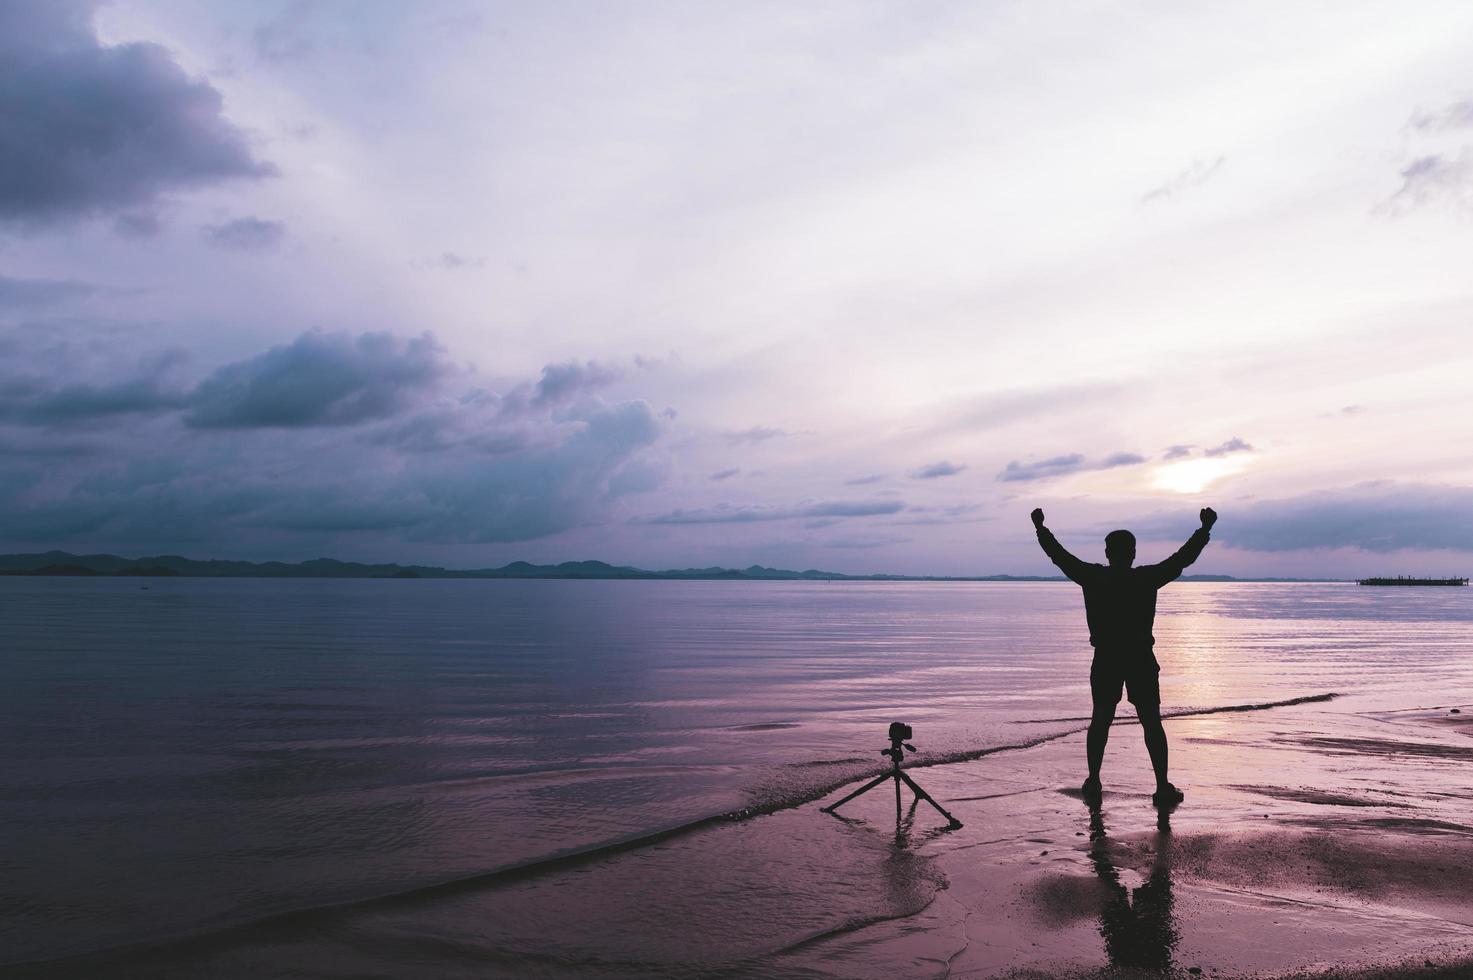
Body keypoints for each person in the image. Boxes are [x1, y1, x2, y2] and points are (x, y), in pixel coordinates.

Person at [1030, 506, 1216, 806]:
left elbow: (1059, 556)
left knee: (1102, 718)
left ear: (1107, 553)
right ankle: (1161, 786)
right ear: (1132, 553)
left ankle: (1094, 780)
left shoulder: (1094, 577)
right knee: (1150, 721)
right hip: (1138, 656)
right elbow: (1182, 559)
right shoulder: (1145, 578)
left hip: (1107, 658)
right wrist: (1204, 529)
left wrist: (1041, 529)